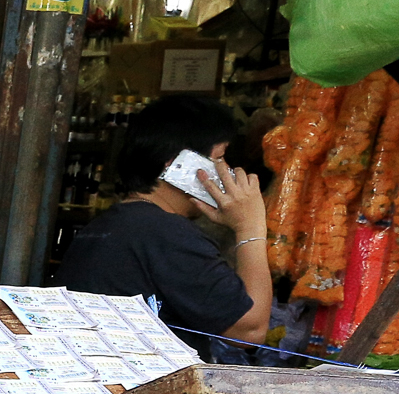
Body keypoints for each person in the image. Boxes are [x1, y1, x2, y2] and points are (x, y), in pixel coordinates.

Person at [57, 95, 272, 356]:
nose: (225, 171)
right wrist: (251, 228)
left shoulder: (113, 223)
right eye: (220, 158)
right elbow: (249, 330)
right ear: (177, 163)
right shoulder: (166, 233)